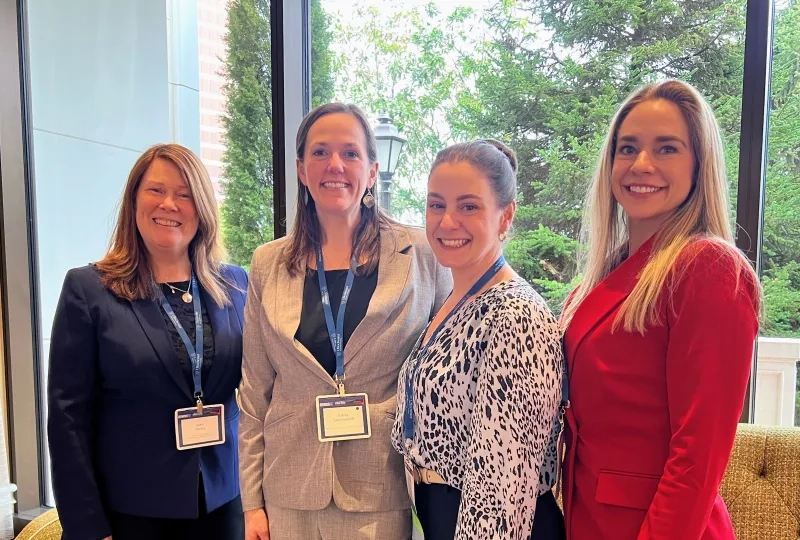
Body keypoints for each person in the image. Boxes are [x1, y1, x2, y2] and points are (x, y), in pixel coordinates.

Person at [238, 102, 451, 540]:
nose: (334, 165)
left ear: (372, 171)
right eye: (320, 152)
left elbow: (445, 376)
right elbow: (254, 392)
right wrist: (252, 503)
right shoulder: (267, 263)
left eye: (350, 153)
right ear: (300, 169)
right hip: (289, 489)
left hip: (380, 487)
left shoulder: (421, 256)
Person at [559, 80, 760, 539]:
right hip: (589, 517)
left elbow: (697, 457)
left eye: (666, 148)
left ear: (699, 164)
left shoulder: (709, 268)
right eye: (627, 148)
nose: (641, 164)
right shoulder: (606, 275)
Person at [47, 143, 248, 540]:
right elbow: (67, 419)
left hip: (224, 503)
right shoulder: (89, 290)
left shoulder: (236, 284)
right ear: (134, 200)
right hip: (131, 511)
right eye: (156, 190)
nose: (169, 204)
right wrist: (87, 526)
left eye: (185, 193)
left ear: (202, 207)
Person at [392, 139, 566, 540]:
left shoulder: (515, 316)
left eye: (468, 206)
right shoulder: (456, 299)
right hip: (444, 515)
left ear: (506, 218)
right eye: (437, 205)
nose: (447, 221)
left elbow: (500, 490)